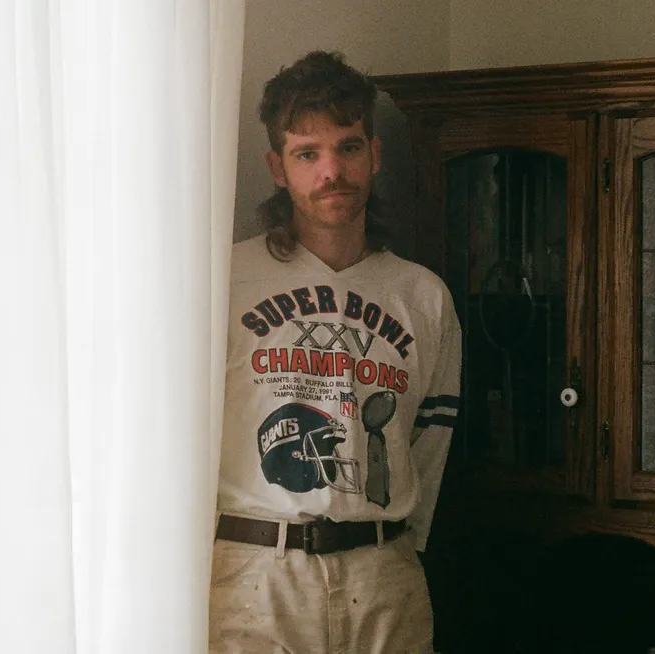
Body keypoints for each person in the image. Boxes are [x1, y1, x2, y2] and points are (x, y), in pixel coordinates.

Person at [211, 51, 461, 653]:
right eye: (307, 154)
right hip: (257, 570)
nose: (332, 171)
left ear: (374, 154)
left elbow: (428, 443)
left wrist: (392, 539)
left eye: (348, 148)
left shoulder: (422, 296)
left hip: (382, 573)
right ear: (277, 167)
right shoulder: (226, 280)